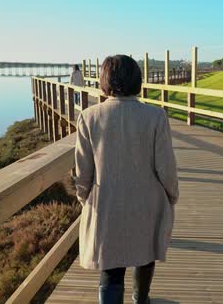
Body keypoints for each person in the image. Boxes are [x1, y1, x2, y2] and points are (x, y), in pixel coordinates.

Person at [74, 55, 179, 304]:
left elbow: (83, 171)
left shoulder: (89, 117)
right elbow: (166, 167)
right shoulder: (155, 116)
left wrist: (84, 198)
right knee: (145, 254)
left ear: (104, 80)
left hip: (106, 201)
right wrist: (172, 195)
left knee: (110, 266)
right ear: (137, 80)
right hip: (147, 201)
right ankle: (140, 299)